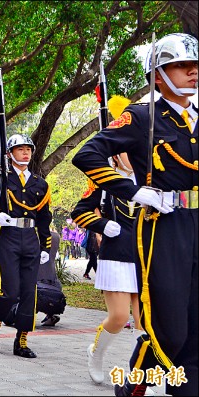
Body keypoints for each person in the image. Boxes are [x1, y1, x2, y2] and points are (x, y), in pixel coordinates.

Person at [72, 33, 197, 396]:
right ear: (158, 75)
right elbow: (87, 154)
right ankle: (138, 378)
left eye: (195, 66)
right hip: (164, 227)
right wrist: (135, 191)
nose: (192, 72)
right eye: (181, 66)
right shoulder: (144, 118)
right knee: (170, 328)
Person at [0, 133, 52, 359]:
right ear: (9, 154)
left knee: (29, 291)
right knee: (11, 292)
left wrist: (45, 247)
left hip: (31, 237)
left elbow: (45, 217)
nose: (25, 153)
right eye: (20, 149)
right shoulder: (0, 179)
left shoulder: (40, 184)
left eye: (28, 149)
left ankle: (22, 340)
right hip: (9, 235)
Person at [71, 152, 144, 386]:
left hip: (145, 255)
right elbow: (79, 212)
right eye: (127, 150)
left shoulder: (150, 180)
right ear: (115, 156)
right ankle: (96, 352)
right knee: (120, 316)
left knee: (145, 321)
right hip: (116, 256)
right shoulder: (103, 182)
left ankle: (139, 378)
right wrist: (102, 224)